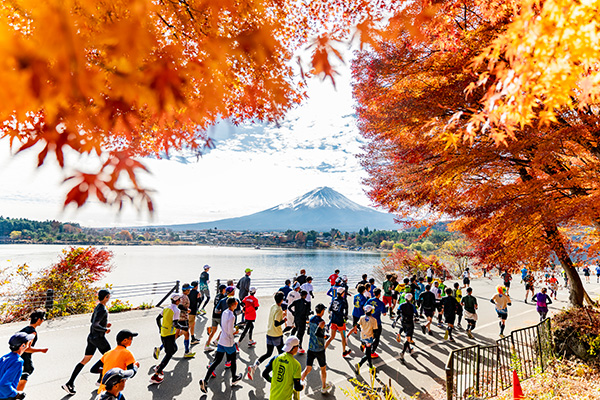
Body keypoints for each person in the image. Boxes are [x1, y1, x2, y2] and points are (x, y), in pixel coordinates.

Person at [63, 289, 112, 395]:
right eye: (108, 296)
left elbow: (93, 321)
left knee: (85, 360)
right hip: (98, 338)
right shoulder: (103, 309)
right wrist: (105, 330)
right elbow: (95, 324)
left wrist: (104, 325)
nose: (109, 297)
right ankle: (100, 380)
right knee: (110, 356)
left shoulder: (98, 307)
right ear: (105, 297)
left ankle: (69, 383)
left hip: (91, 337)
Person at [199, 297, 243, 393]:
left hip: (221, 340)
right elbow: (229, 331)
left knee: (216, 361)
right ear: (234, 304)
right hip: (228, 341)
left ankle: (205, 380)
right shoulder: (232, 316)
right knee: (233, 359)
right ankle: (234, 378)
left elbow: (224, 328)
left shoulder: (224, 312)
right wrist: (235, 331)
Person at [248, 291, 286, 380]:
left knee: (268, 353)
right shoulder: (279, 309)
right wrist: (284, 320)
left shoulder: (273, 306)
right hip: (277, 334)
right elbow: (277, 323)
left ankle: (254, 366)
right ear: (281, 300)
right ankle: (275, 371)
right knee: (282, 354)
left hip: (269, 333)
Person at [150, 293, 181, 384]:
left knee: (174, 349)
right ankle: (155, 375)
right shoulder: (176, 310)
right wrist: (184, 328)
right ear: (177, 301)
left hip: (164, 333)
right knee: (169, 354)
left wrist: (160, 328)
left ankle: (159, 367)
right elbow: (175, 324)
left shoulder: (166, 308)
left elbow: (157, 318)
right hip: (169, 334)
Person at [301, 304, 332, 394]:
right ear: (322, 311)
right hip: (319, 349)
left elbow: (308, 332)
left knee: (308, 368)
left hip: (310, 348)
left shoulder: (311, 319)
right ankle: (323, 387)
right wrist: (325, 336)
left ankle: (299, 382)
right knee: (323, 369)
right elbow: (318, 333)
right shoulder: (321, 322)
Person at [17, 310, 48, 392]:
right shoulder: (33, 333)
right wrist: (41, 350)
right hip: (24, 358)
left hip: (16, 356)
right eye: (42, 319)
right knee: (27, 371)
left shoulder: (24, 329)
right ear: (38, 320)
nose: (43, 320)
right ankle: (16, 395)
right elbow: (26, 349)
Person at [0, 332, 34, 400]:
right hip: (5, 397)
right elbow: (3, 385)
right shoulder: (17, 361)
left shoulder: (5, 357)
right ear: (23, 345)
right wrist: (16, 394)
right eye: (28, 342)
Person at [349, 304, 377, 375]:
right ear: (371, 311)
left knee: (368, 353)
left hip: (362, 336)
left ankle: (371, 367)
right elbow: (375, 330)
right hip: (369, 338)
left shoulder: (362, 317)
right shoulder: (373, 320)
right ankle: (359, 364)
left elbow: (358, 325)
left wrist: (361, 329)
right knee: (368, 354)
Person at [325, 286, 351, 358]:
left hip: (333, 320)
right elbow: (342, 311)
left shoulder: (334, 299)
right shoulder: (343, 301)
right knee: (343, 337)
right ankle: (344, 351)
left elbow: (330, 309)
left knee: (332, 337)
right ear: (342, 293)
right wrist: (345, 317)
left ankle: (323, 350)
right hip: (340, 322)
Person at [364, 288, 386, 358]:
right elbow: (384, 313)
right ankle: (372, 352)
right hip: (377, 323)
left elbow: (364, 307)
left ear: (373, 293)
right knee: (376, 337)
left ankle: (365, 346)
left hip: (368, 321)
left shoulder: (369, 300)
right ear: (379, 294)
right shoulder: (381, 303)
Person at [204, 284, 226, 352]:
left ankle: (207, 345)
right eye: (225, 289)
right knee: (224, 330)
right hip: (219, 316)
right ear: (223, 289)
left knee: (213, 331)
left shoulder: (217, 295)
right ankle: (217, 341)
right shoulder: (223, 297)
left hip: (214, 315)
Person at [177, 283, 196, 358]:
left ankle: (162, 347)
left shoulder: (181, 296)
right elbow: (180, 306)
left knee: (176, 334)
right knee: (186, 334)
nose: (190, 290)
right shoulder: (184, 297)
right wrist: (187, 309)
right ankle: (186, 352)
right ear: (186, 290)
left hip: (179, 317)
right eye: (189, 289)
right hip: (183, 318)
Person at [396, 293, 415, 363]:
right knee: (408, 338)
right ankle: (402, 352)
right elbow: (416, 313)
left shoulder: (401, 305)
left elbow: (398, 312)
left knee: (407, 336)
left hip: (403, 322)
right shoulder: (412, 306)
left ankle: (410, 349)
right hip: (410, 323)